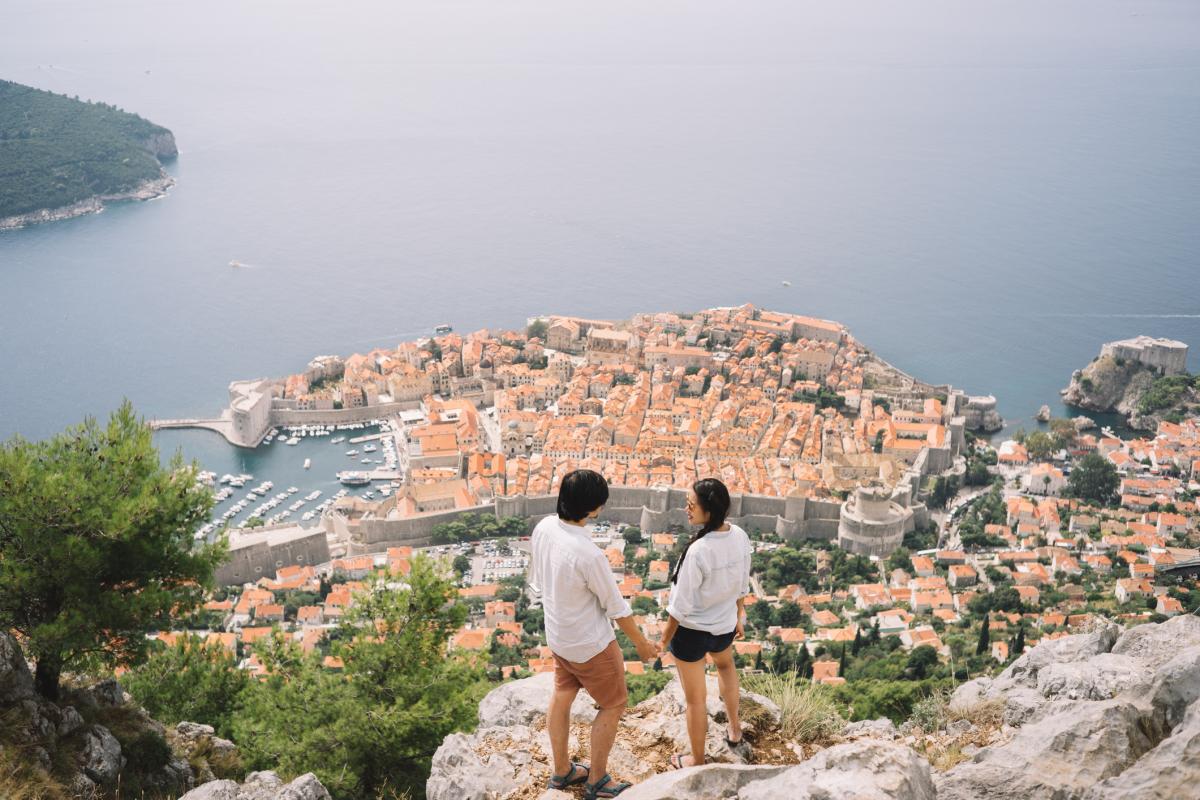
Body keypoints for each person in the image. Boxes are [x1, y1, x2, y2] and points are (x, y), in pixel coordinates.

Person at [528, 469, 659, 799]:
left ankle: (561, 771)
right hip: (591, 644)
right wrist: (642, 644)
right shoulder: (589, 555)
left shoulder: (543, 528)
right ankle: (597, 780)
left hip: (558, 635)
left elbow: (538, 579)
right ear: (594, 509)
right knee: (614, 704)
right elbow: (617, 608)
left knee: (562, 695)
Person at [660, 478, 752, 769]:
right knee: (726, 667)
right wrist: (738, 617)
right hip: (724, 626)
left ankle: (696, 760)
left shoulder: (698, 551)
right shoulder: (739, 535)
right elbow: (742, 585)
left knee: (696, 700)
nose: (686, 509)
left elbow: (680, 608)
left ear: (708, 511)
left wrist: (662, 643)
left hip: (691, 634)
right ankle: (735, 730)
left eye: (691, 505)